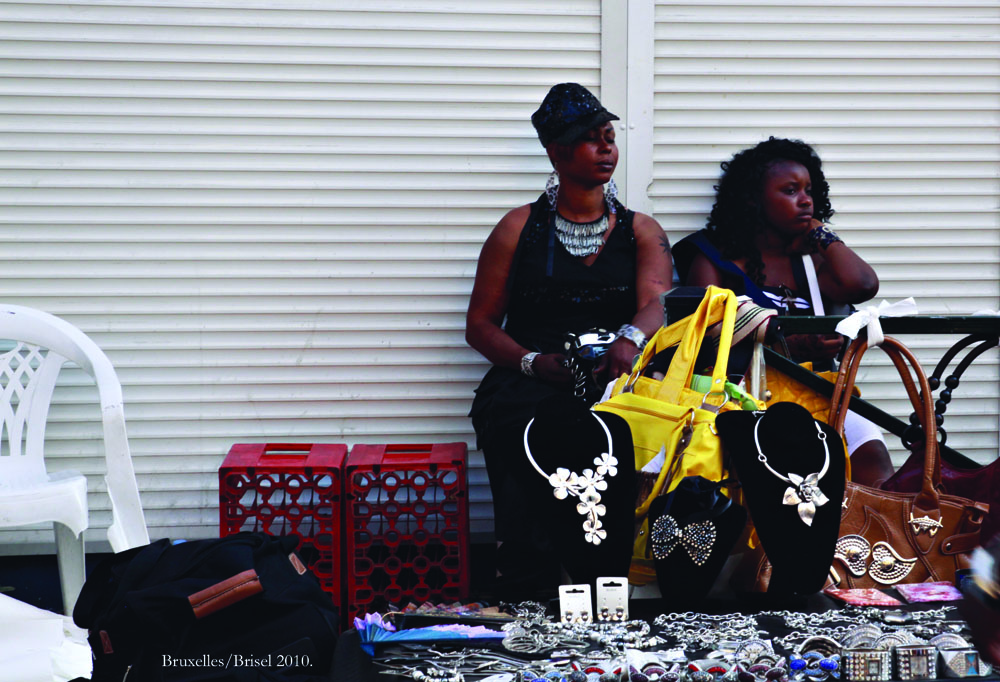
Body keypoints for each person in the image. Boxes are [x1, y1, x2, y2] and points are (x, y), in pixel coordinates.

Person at [466, 83, 672, 598]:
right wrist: (532, 361)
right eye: (591, 138)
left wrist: (629, 339)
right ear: (557, 152)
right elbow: (481, 325)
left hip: (614, 377)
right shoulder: (518, 228)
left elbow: (657, 303)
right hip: (532, 379)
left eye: (610, 137)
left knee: (627, 435)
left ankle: (611, 589)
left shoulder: (640, 230)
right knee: (524, 433)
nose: (606, 148)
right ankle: (528, 592)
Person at [673, 137, 894, 487]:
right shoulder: (713, 259)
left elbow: (864, 285)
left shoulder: (813, 261)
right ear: (753, 198)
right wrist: (790, 345)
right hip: (743, 397)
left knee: (873, 459)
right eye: (790, 191)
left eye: (809, 190)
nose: (805, 200)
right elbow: (703, 340)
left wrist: (822, 235)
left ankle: (869, 525)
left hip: (819, 392)